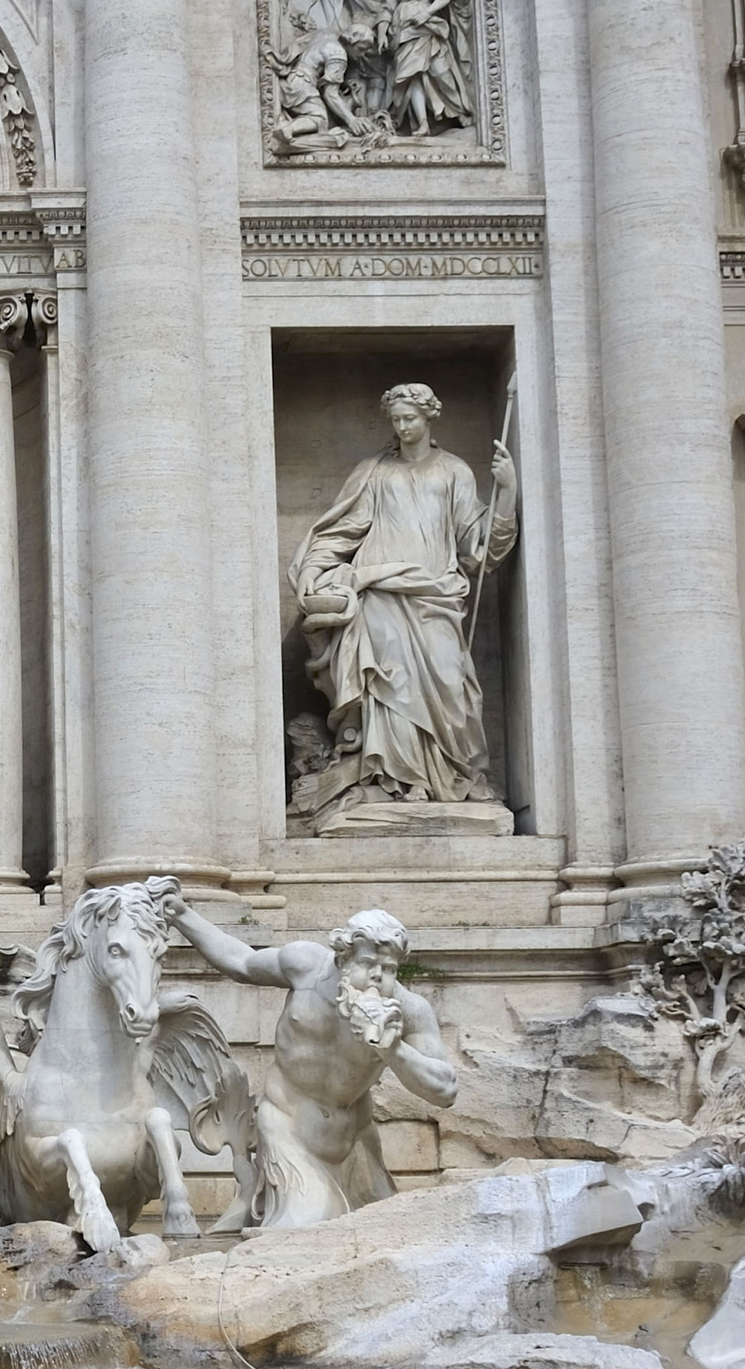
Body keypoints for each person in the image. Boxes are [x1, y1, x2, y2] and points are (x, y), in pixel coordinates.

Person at [292, 381, 515, 819]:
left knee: (451, 682)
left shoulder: (454, 471)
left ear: (429, 417)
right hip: (381, 591)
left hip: (436, 593)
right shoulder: (374, 471)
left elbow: (479, 547)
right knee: (389, 680)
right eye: (395, 419)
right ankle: (397, 780)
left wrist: (506, 491)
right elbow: (342, 530)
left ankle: (455, 776)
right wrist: (314, 569)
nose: (402, 426)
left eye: (409, 418)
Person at [163, 895, 456, 1228]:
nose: (377, 978)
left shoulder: (409, 1010)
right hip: (288, 1129)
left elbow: (445, 1089)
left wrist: (392, 1049)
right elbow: (241, 962)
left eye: (388, 969)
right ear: (343, 958)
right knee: (308, 1230)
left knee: (385, 1231)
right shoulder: (305, 966)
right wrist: (183, 915)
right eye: (366, 964)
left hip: (354, 1141)